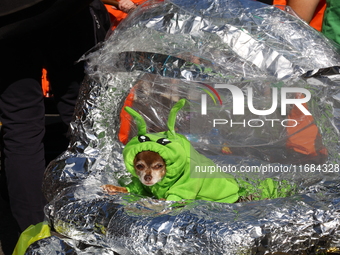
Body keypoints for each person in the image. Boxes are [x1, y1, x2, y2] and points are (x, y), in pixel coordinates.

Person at [0, 0, 110, 236]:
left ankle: (34, 237)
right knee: (84, 117)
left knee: (21, 128)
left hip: (9, 17)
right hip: (65, 8)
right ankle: (93, 224)